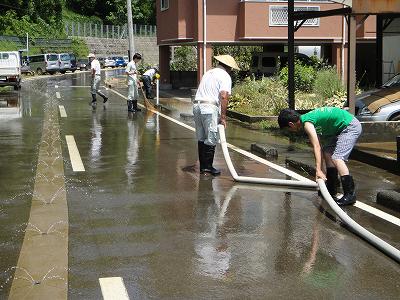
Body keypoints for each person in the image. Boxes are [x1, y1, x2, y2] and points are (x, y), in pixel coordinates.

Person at [277, 107, 362, 206]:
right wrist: (321, 171)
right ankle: (332, 188)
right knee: (327, 152)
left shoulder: (307, 123)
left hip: (349, 127)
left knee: (337, 157)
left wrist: (318, 170)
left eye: (289, 129)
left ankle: (350, 194)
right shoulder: (307, 119)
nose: (291, 131)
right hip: (339, 129)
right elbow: (319, 147)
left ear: (291, 124)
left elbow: (316, 146)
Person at [193, 55, 240, 176]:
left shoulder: (208, 73)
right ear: (229, 67)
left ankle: (204, 167)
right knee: (211, 137)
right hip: (209, 107)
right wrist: (223, 117)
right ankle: (208, 168)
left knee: (201, 137)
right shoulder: (225, 76)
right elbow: (224, 96)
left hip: (197, 105)